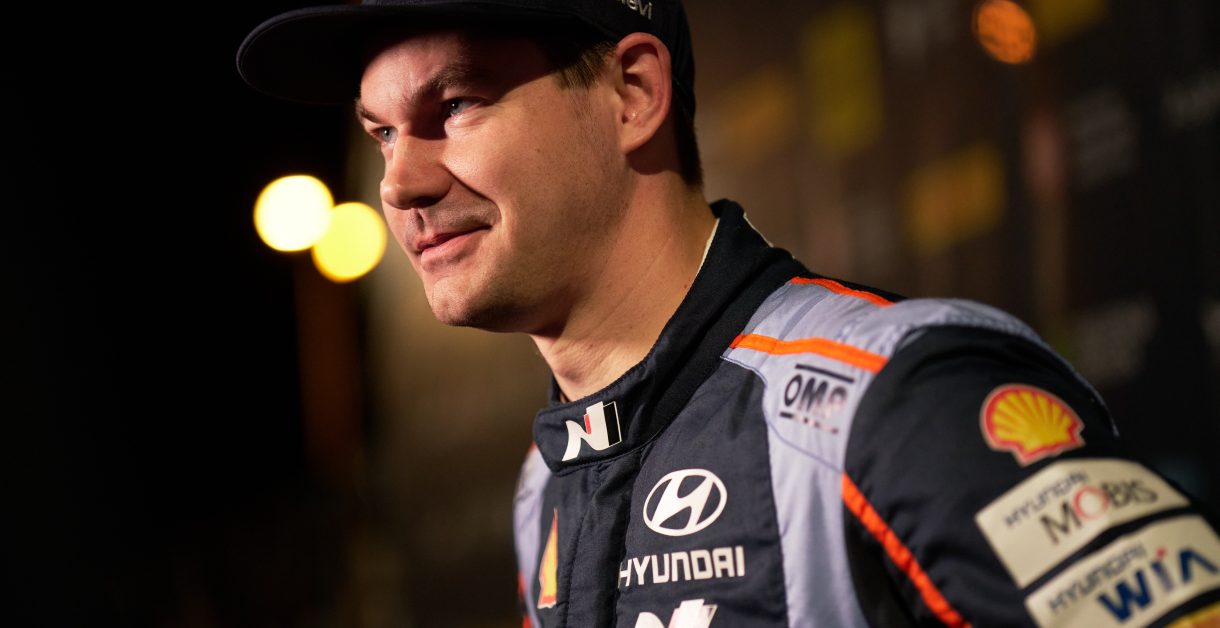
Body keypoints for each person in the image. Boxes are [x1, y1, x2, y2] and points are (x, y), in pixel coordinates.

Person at [237, 1, 1220, 625]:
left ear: (632, 93)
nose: (398, 183)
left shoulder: (896, 402)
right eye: (380, 135)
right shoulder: (545, 486)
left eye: (453, 106)